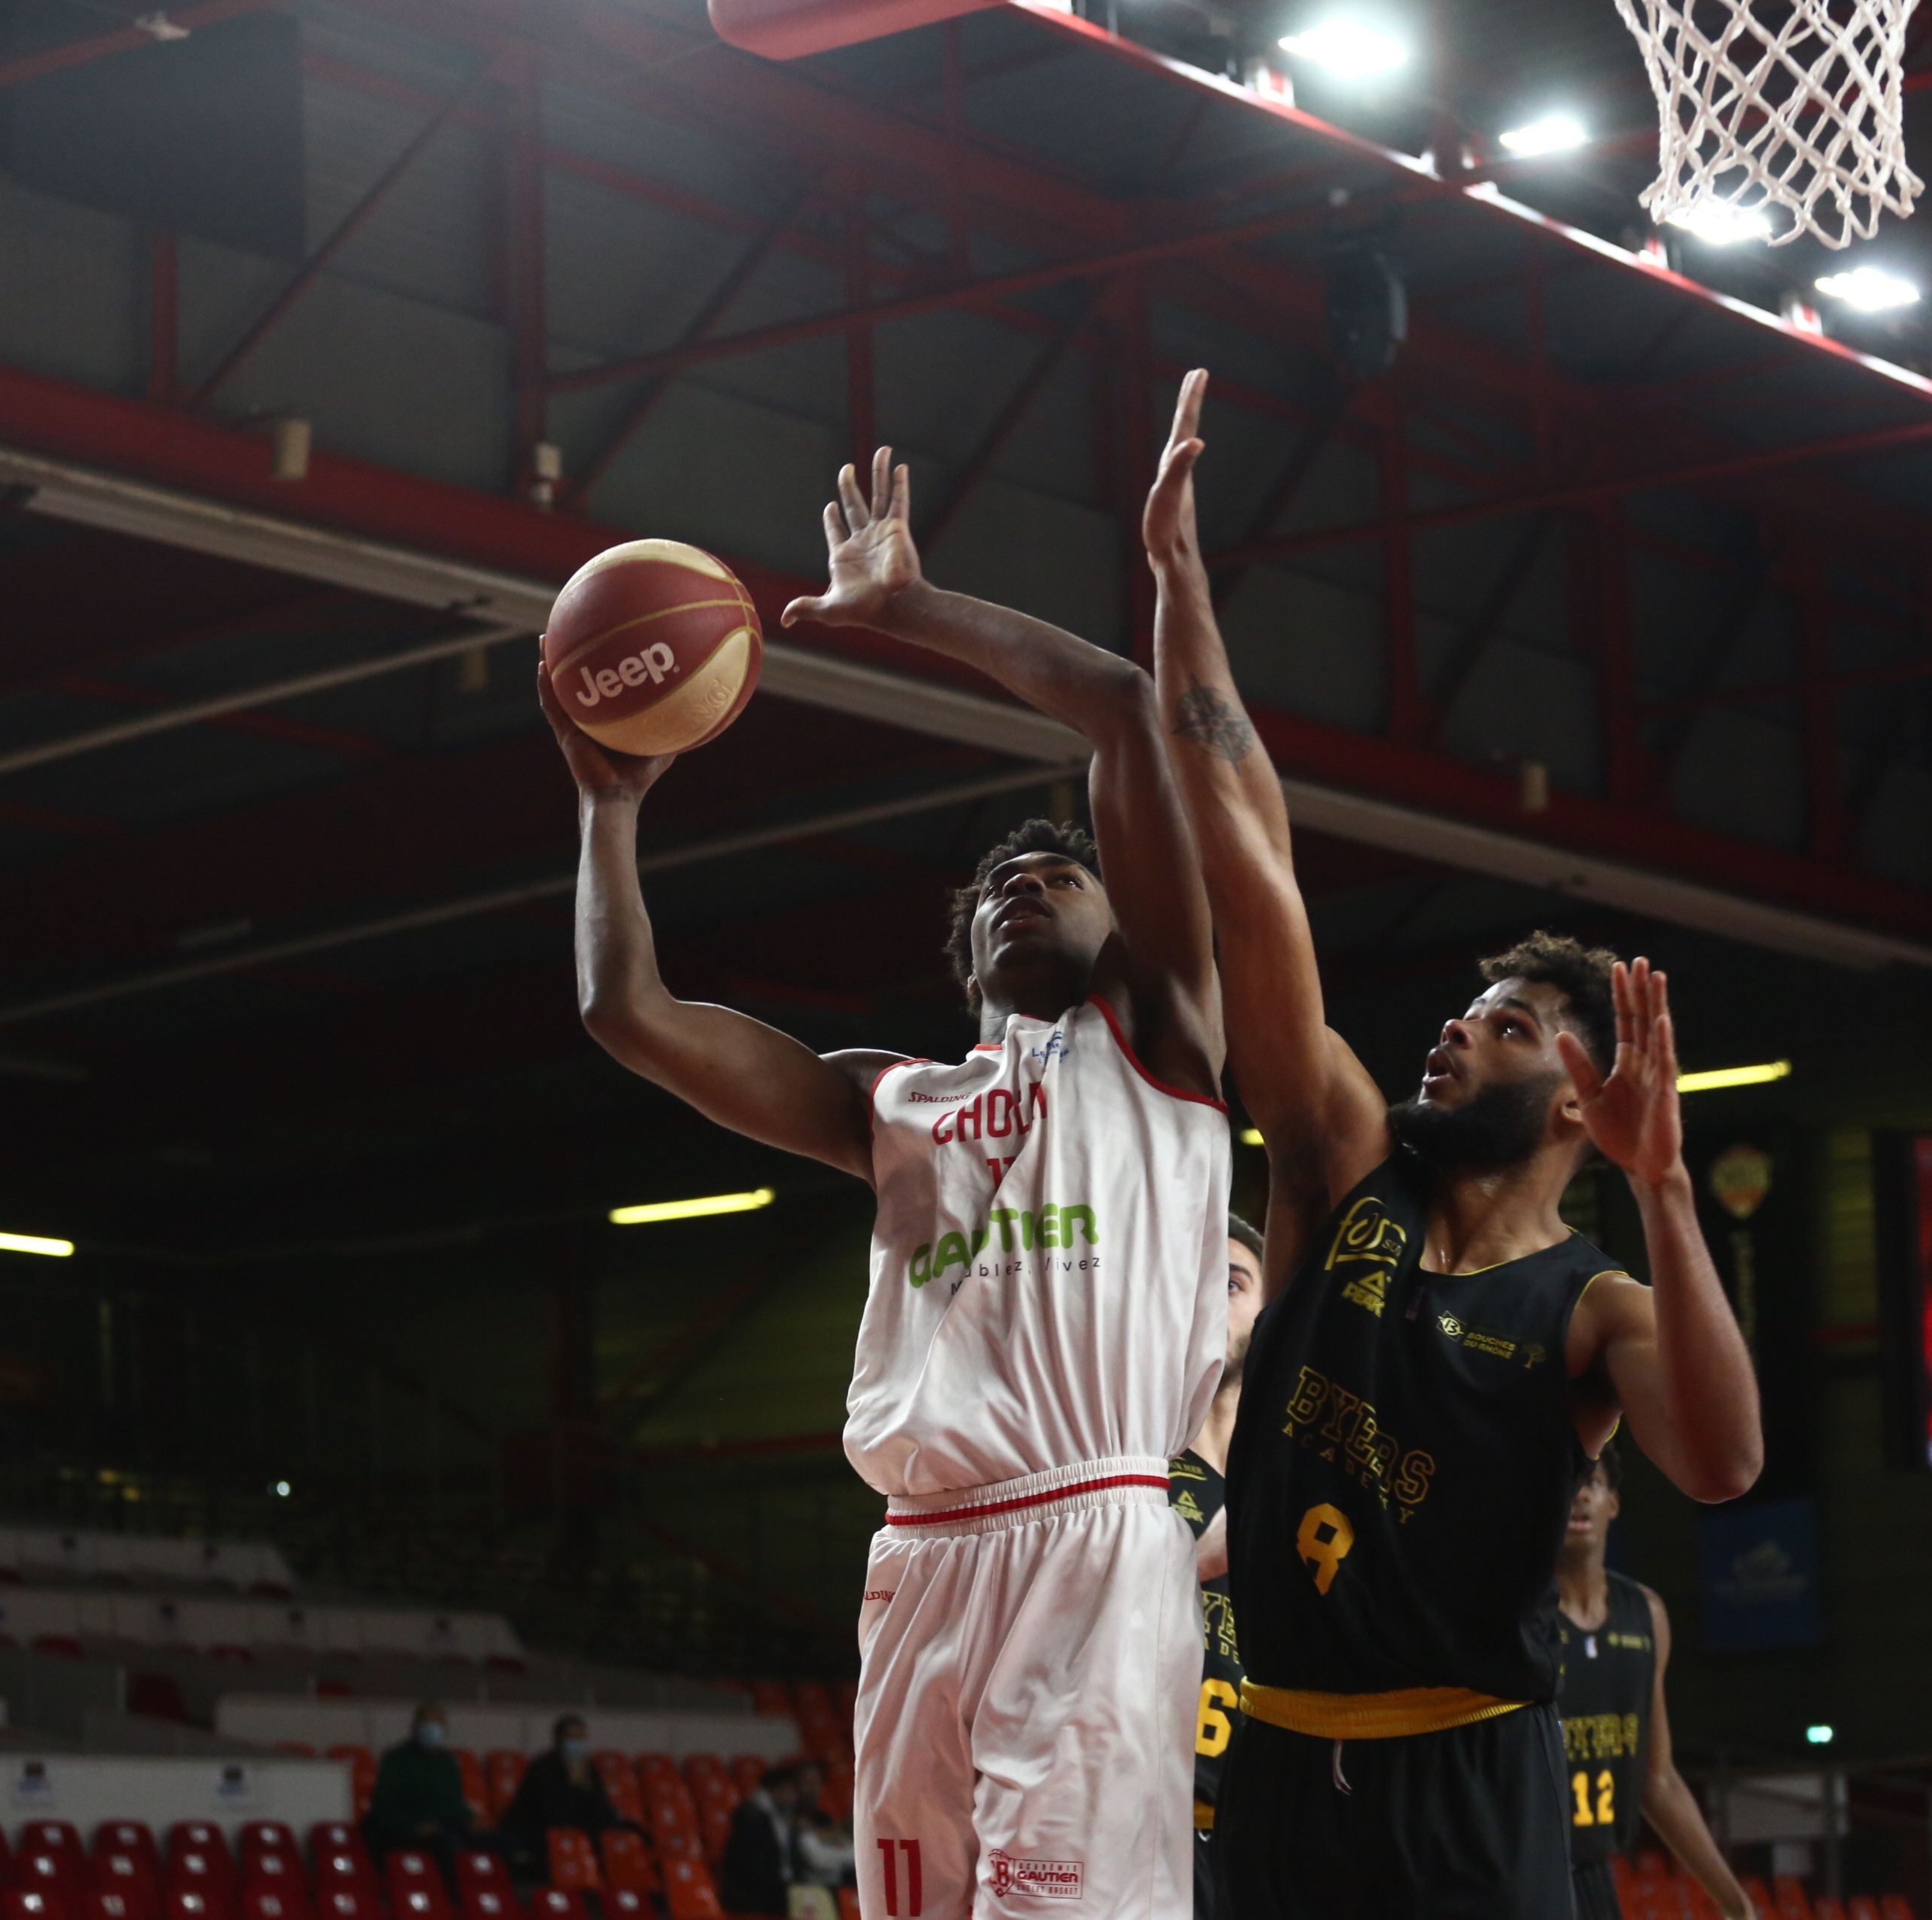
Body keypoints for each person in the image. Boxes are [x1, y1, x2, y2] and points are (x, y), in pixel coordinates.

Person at [546, 430, 1232, 1920]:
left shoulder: (1162, 1042)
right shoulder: (891, 1099)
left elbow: (1123, 711)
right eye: (1000, 881)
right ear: (961, 947)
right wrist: (609, 806)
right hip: (919, 1563)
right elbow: (630, 1014)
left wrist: (911, 607)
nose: (1025, 885)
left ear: (1125, 927)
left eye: (1063, 874)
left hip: (1096, 1536)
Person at [1143, 367, 1764, 1920]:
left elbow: (1723, 1459)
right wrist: (1179, 587)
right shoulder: (1347, 1160)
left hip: (1479, 1782)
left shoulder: (1594, 1301)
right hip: (1276, 1769)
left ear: (1576, 1093)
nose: (1452, 1028)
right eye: (1460, 1007)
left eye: (1499, 1018)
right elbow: (1251, 851)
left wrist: (1668, 1190)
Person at [1556, 1449, 1751, 1920]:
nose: (1580, 1496)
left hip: (1592, 1873)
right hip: (1517, 1872)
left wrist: (1737, 1904)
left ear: (1614, 1503)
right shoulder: (1517, 1617)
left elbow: (1657, 1780)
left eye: (1593, 1484)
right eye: (1564, 1487)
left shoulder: (1646, 1615)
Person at [1168, 1217, 1263, 1920]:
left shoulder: (1296, 1474)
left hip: (1273, 1840)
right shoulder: (1123, 1469)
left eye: (1231, 1282)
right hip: (1152, 1831)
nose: (1209, 1296)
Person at [364, 1702, 487, 1888]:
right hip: (409, 1831)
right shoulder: (396, 1759)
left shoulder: (447, 1761)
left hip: (446, 1826)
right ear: (415, 1727)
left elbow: (452, 1802)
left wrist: (469, 1816)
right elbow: (384, 1806)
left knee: (496, 1842)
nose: (433, 1729)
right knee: (451, 1847)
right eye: (428, 1723)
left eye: (439, 1724)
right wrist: (414, 1827)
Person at [499, 1714, 634, 1868]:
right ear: (559, 1740)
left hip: (579, 1828)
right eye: (570, 1738)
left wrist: (585, 1786)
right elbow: (554, 1813)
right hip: (540, 1830)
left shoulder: (588, 1767)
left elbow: (603, 1809)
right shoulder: (543, 1767)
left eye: (579, 1738)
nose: (575, 1744)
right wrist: (573, 1785)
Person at [723, 1762, 812, 1916]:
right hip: (754, 1893)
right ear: (777, 1790)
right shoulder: (751, 1818)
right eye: (793, 1791)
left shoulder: (784, 1819)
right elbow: (751, 1867)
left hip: (779, 1888)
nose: (795, 1798)